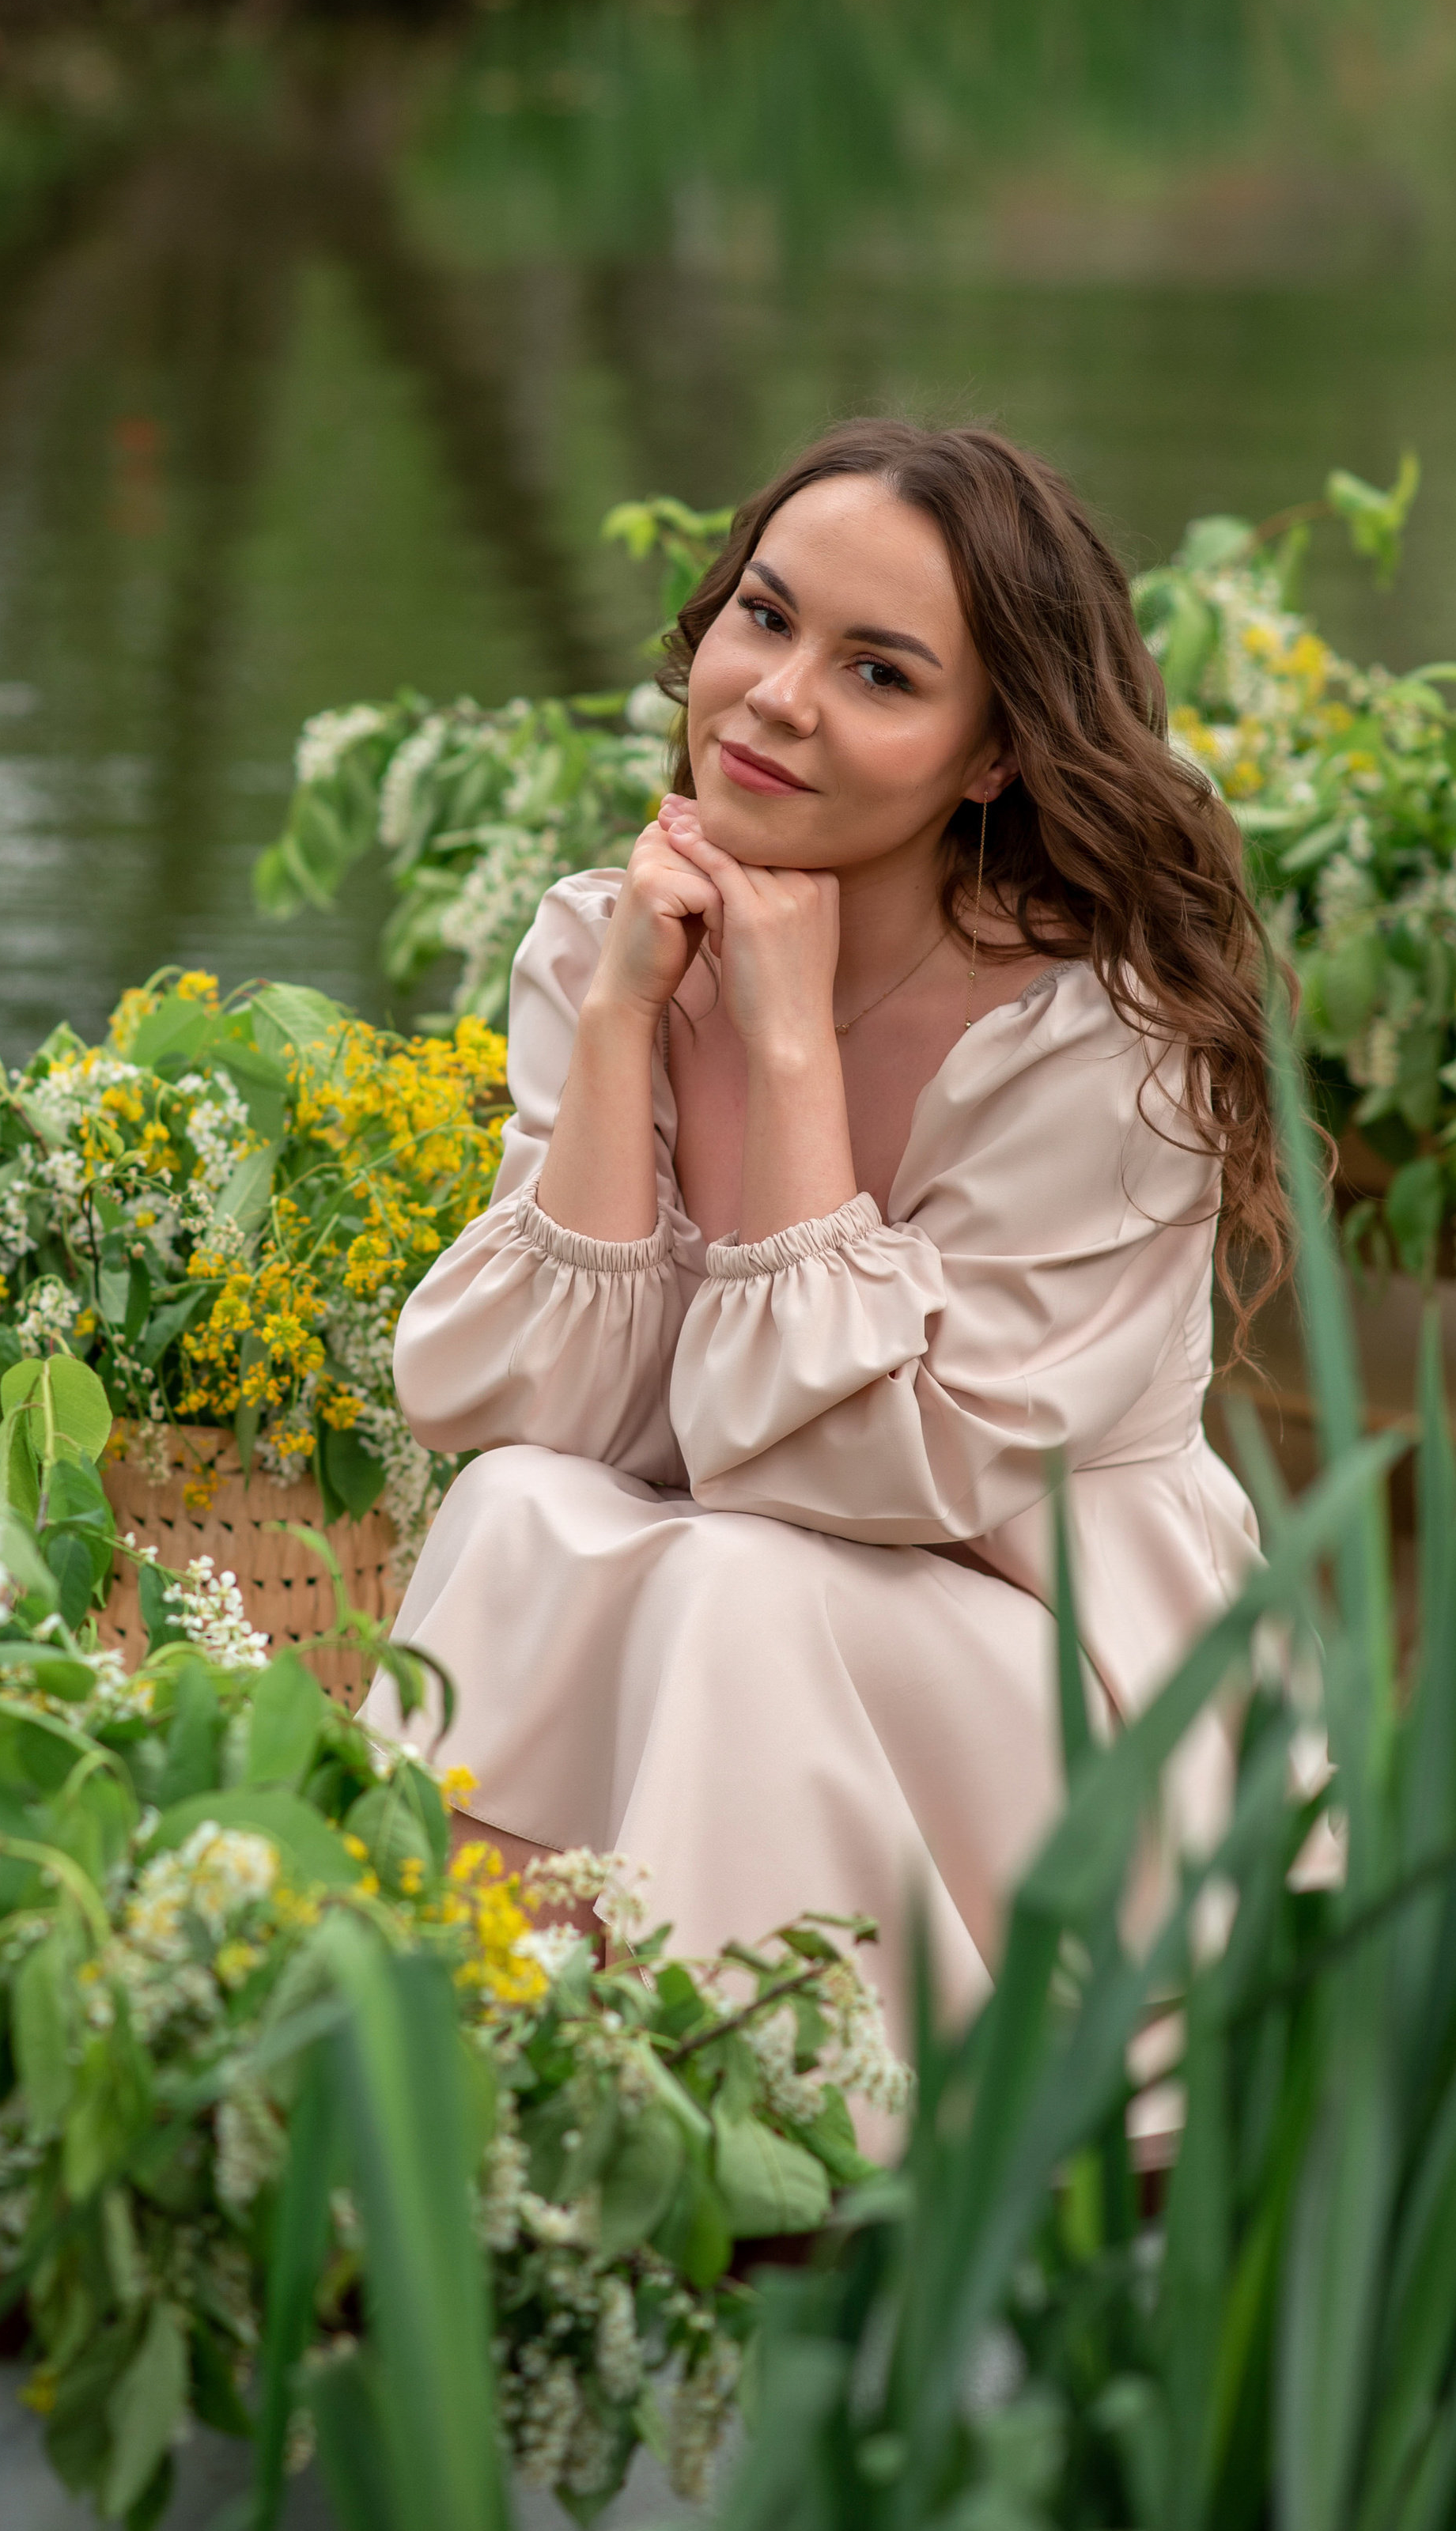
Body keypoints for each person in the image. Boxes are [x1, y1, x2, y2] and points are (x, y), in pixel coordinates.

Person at [361, 419, 1276, 2030]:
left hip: (1066, 1686)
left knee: (741, 1582)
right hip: (746, 1609)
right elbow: (520, 1413)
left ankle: (772, 2105)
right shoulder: (612, 939)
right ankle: (452, 2036)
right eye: (765, 619)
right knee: (512, 1508)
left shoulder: (1099, 1047)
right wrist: (630, 1016)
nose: (778, 699)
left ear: (988, 756)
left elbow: (854, 1482)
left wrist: (786, 1044)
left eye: (879, 673)